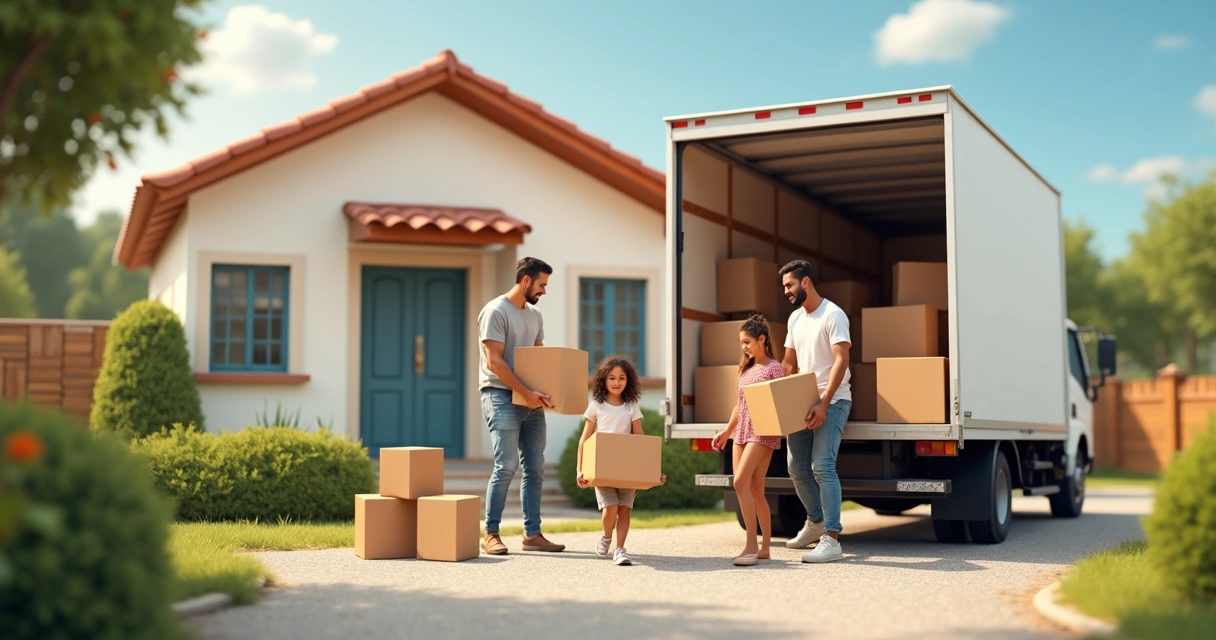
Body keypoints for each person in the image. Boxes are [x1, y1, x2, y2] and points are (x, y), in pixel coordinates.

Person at [478, 257, 566, 556]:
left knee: (535, 468)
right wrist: (525, 392)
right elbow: (495, 361)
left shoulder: (535, 315)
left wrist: (549, 392)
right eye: (542, 284)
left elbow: (540, 359)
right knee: (506, 466)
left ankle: (532, 534)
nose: (544, 290)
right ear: (526, 280)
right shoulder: (495, 311)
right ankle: (490, 532)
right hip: (500, 395)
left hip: (531, 399)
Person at [778, 260, 853, 564]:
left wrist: (823, 402)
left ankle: (832, 538)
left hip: (833, 402)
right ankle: (816, 522)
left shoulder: (833, 315)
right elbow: (788, 364)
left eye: (789, 285)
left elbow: (841, 361)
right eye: (784, 287)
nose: (786, 291)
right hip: (801, 401)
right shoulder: (795, 318)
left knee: (821, 466)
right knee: (796, 467)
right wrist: (773, 393)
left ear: (805, 282)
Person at [576, 355, 667, 566]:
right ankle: (606, 536)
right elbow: (585, 439)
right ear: (603, 380)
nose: (617, 382)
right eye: (612, 378)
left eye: (622, 378)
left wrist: (652, 471)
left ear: (629, 381)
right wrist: (580, 470)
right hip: (602, 468)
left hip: (627, 468)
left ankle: (620, 549)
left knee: (624, 508)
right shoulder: (596, 406)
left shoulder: (631, 406)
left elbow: (640, 439)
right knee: (611, 508)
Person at [710, 314, 786, 567]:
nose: (743, 347)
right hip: (741, 432)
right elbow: (739, 406)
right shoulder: (745, 371)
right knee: (755, 490)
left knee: (740, 482)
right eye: (741, 343)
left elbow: (779, 403)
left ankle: (751, 546)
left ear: (762, 339)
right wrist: (725, 431)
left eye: (747, 342)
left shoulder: (774, 368)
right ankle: (765, 548)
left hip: (763, 432)